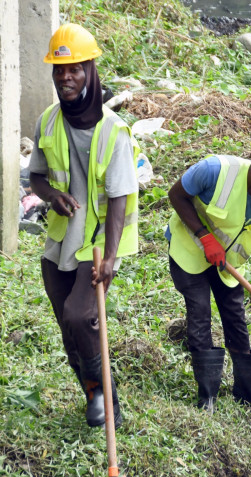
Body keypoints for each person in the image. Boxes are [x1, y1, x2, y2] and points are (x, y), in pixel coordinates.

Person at [29, 23, 139, 428]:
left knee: (81, 316)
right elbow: (36, 176)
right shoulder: (49, 121)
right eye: (59, 71)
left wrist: (109, 257)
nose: (66, 78)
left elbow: (120, 198)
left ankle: (105, 398)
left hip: (95, 243)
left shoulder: (114, 132)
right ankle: (95, 394)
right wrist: (50, 197)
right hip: (60, 241)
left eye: (74, 68)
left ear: (90, 69)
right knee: (67, 325)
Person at [166, 134, 251, 435]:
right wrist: (204, 236)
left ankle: (248, 399)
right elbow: (176, 195)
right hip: (189, 252)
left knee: (236, 322)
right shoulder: (215, 171)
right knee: (200, 311)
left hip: (228, 267)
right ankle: (208, 397)